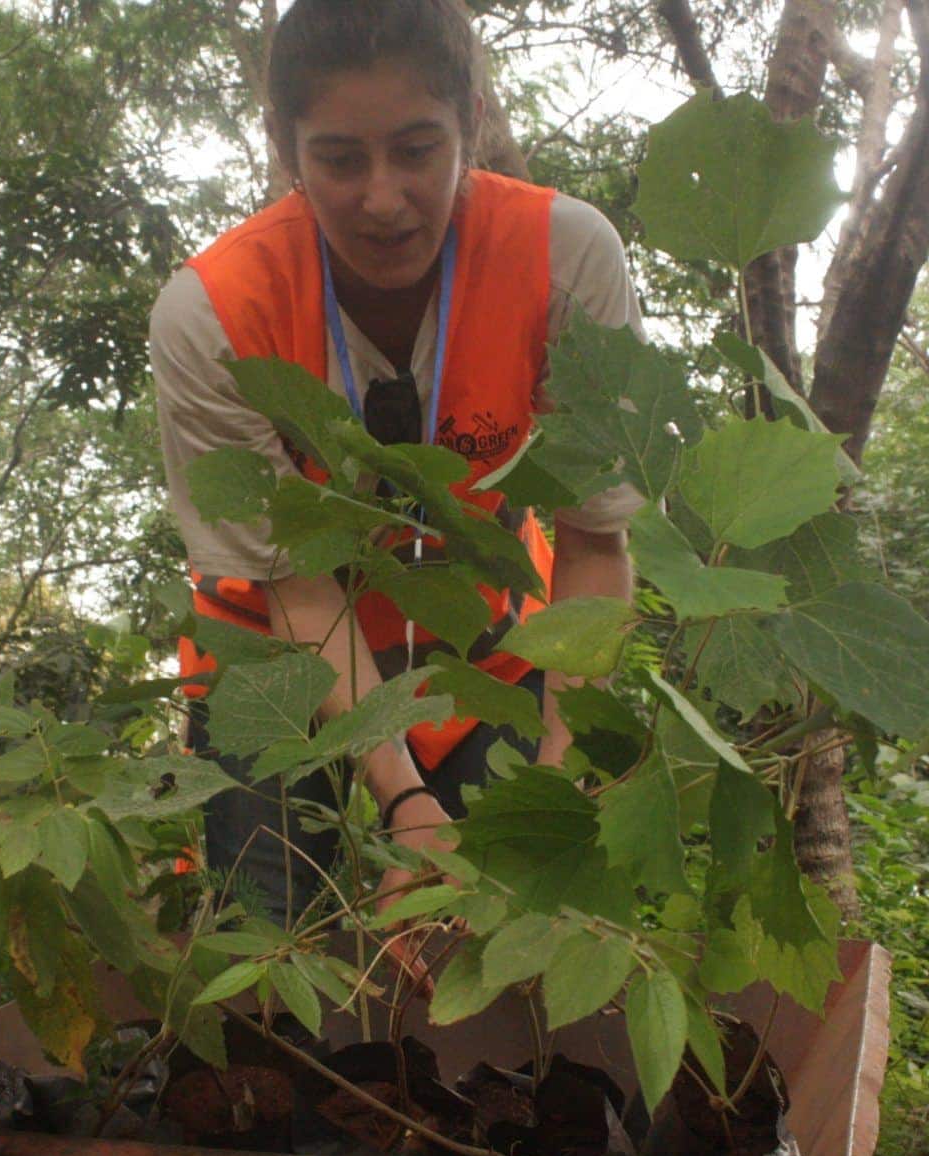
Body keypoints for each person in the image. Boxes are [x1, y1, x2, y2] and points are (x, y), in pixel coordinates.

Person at [149, 0, 642, 941]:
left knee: (507, 938)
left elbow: (595, 542)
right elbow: (297, 580)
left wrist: (562, 779)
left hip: (486, 651)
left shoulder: (564, 258)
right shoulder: (213, 314)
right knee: (285, 950)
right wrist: (406, 805)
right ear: (287, 149)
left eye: (418, 149)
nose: (383, 199)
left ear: (473, 123)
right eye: (339, 160)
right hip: (273, 659)